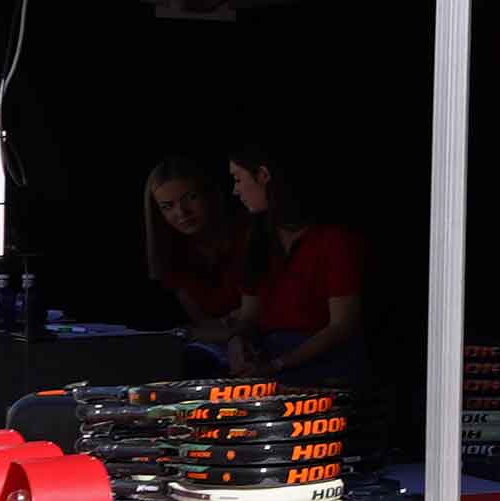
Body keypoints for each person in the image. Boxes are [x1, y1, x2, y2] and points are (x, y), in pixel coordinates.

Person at [219, 138, 365, 384]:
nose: (235, 190)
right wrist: (237, 341)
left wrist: (278, 364)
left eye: (238, 179)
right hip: (270, 355)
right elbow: (249, 315)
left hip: (324, 364)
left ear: (263, 175)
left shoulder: (333, 240)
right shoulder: (257, 239)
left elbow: (342, 325)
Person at [142, 154, 253, 331]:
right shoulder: (172, 254)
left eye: (191, 197)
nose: (182, 212)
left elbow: (254, 315)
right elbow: (203, 322)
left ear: (210, 193)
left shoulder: (248, 233)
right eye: (168, 206)